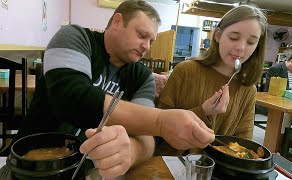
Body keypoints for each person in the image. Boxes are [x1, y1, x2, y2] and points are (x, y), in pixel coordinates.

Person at [15, 0, 214, 179]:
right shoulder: (75, 37)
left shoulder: (142, 76)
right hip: (31, 162)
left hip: (90, 170)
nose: (147, 46)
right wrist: (161, 121)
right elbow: (71, 99)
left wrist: (132, 153)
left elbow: (145, 136)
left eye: (151, 41)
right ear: (117, 22)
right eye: (142, 35)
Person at [158, 4, 268, 154]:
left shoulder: (248, 89)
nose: (241, 48)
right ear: (217, 36)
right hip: (172, 162)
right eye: (234, 37)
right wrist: (204, 111)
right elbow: (159, 126)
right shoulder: (186, 70)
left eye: (251, 42)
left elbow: (243, 142)